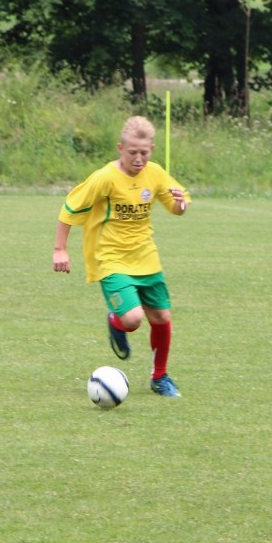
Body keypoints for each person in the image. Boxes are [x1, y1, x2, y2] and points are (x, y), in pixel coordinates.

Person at [53, 116, 191, 398]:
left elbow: (176, 207)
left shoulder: (155, 173)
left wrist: (180, 204)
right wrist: (60, 249)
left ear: (152, 149)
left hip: (146, 256)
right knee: (132, 319)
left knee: (162, 317)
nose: (139, 159)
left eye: (144, 153)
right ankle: (115, 322)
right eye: (132, 153)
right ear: (120, 148)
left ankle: (160, 377)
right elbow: (70, 207)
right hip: (110, 258)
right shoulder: (105, 177)